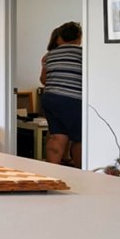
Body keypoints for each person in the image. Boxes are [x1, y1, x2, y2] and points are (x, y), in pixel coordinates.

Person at [39, 22, 84, 168]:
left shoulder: (49, 56)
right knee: (79, 138)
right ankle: (81, 173)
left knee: (56, 136)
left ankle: (51, 171)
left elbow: (44, 80)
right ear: (79, 37)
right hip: (73, 100)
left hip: (51, 99)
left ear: (60, 37)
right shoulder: (83, 54)